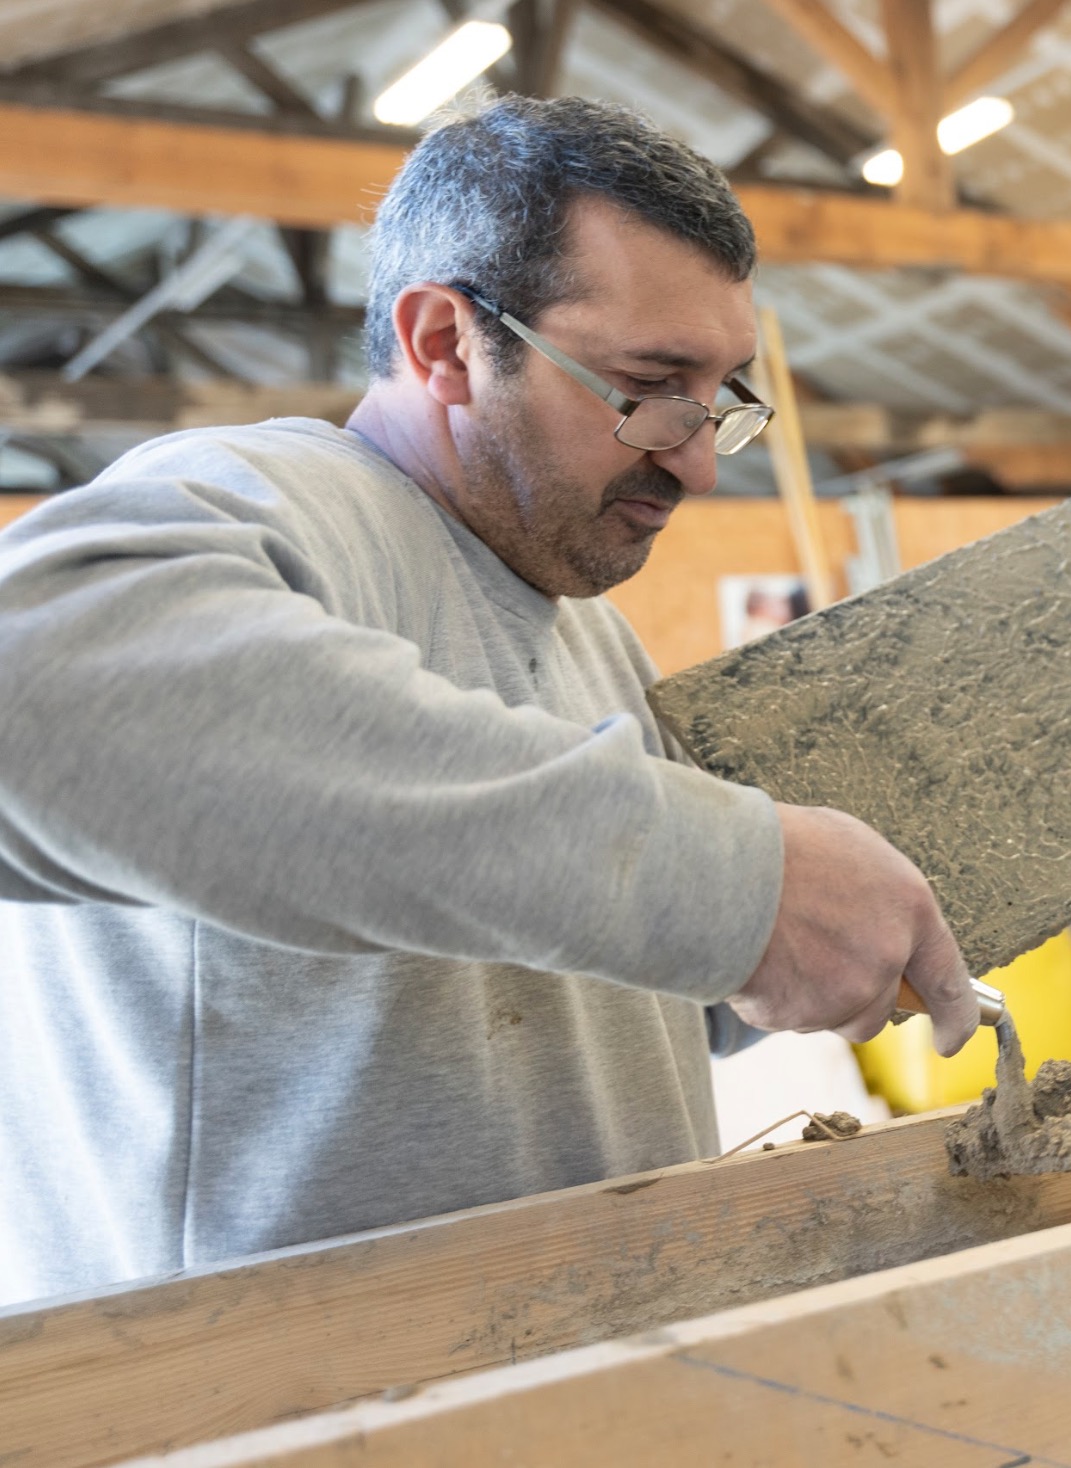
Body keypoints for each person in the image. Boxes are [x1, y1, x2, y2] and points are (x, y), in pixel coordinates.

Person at [0, 96, 978, 1309]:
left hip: (573, 1384)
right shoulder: (276, 502)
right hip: (272, 1414)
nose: (697, 457)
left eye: (723, 392)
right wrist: (736, 879)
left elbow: (591, 982)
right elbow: (30, 694)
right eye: (650, 384)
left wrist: (799, 932)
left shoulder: (587, 633)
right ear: (446, 342)